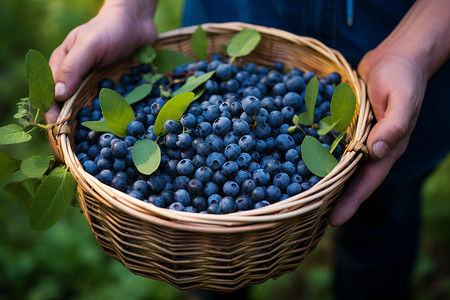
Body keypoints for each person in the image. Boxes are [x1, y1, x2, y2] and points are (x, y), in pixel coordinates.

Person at [45, 0, 450, 298]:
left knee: (383, 230)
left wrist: (415, 49)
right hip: (239, 19)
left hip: (397, 60)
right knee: (208, 264)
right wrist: (127, 8)